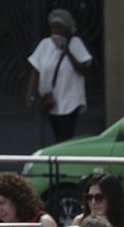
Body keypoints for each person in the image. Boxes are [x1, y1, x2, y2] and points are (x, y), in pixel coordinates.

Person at [25, 9, 93, 143]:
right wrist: (29, 93)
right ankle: (60, 161)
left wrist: (67, 51)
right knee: (58, 136)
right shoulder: (45, 44)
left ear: (68, 29)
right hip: (51, 100)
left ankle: (63, 162)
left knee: (64, 136)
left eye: (60, 28)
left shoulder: (76, 43)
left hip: (70, 99)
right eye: (53, 27)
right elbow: (35, 70)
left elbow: (83, 70)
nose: (56, 31)